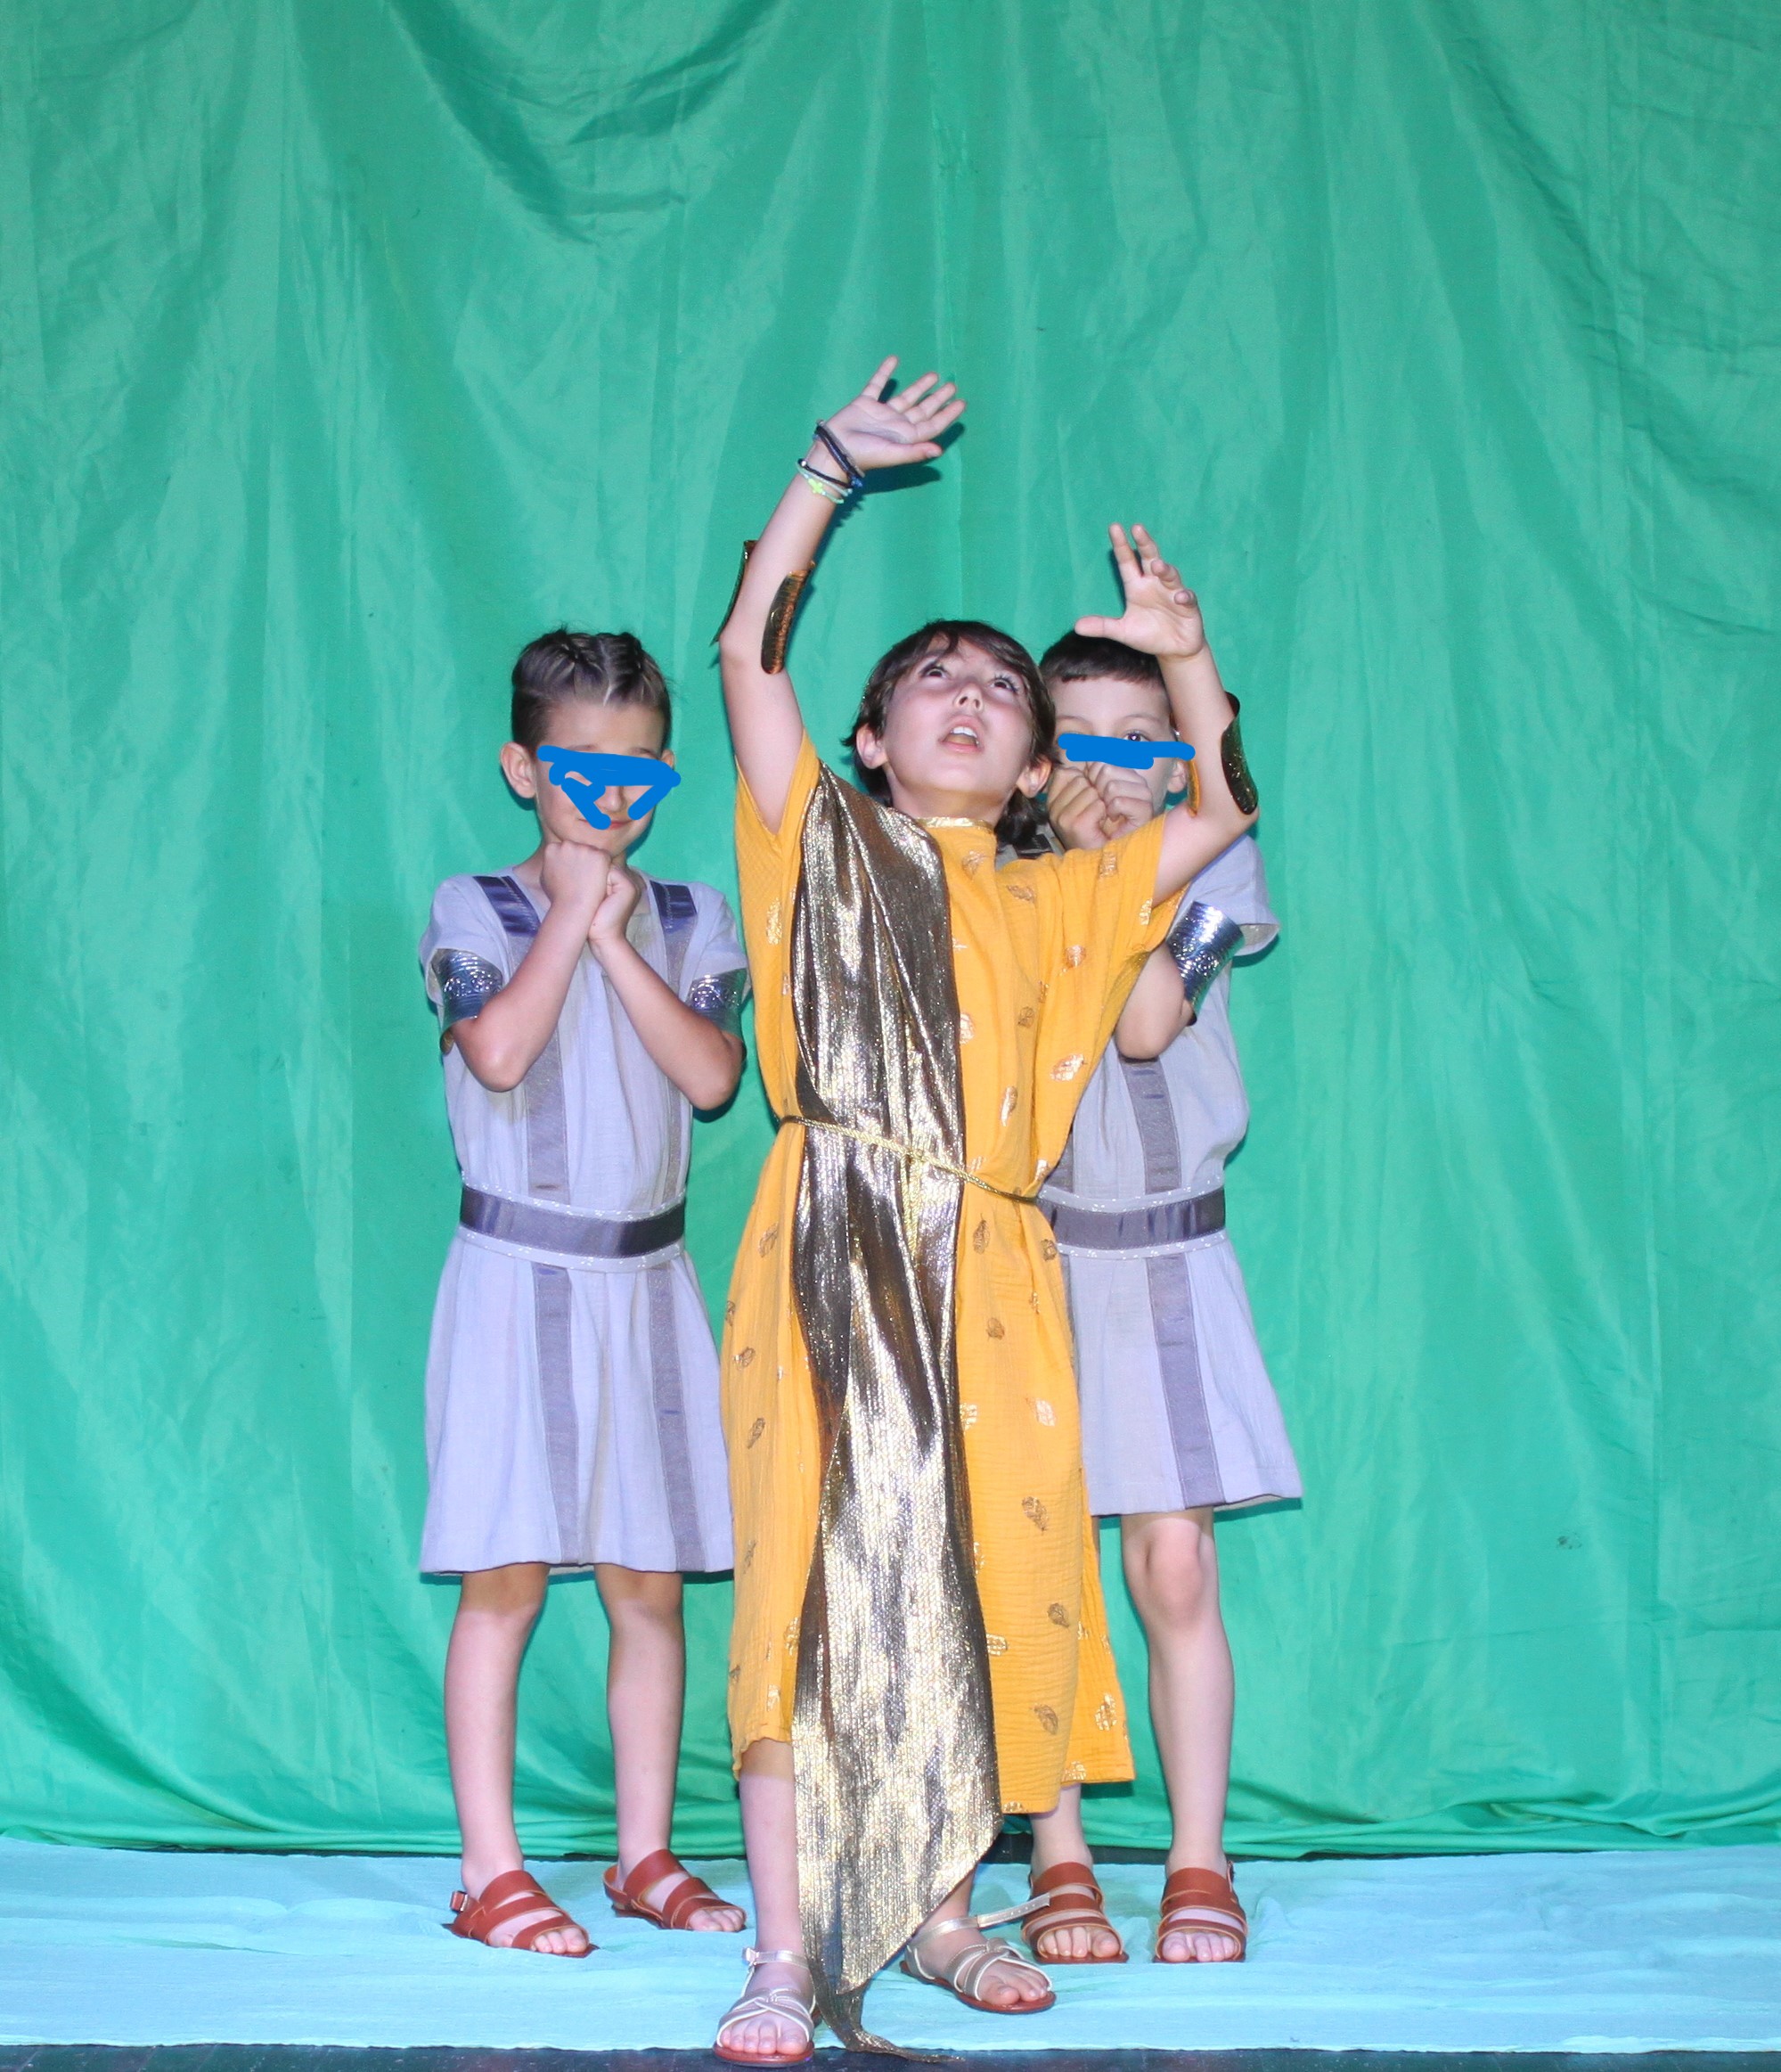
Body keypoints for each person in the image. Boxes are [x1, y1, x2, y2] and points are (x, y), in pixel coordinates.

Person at [709, 357, 1262, 2064]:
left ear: (1031, 766)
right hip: (826, 1238)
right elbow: (748, 655)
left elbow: (1226, 805)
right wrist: (826, 472)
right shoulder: (812, 838)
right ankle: (786, 1953)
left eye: (1003, 688)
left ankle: (945, 1918)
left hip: (1001, 1266)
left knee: (979, 1576)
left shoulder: (1065, 901)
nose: (969, 695)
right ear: (873, 739)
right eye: (933, 679)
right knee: (803, 1590)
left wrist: (1185, 654)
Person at [417, 630, 751, 1958]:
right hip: (515, 1278)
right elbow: (497, 1054)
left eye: (640, 769)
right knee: (502, 1579)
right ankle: (490, 1871)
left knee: (648, 1585)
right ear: (524, 768)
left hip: (649, 1283)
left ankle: (644, 1851)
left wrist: (614, 934)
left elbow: (713, 1078)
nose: (612, 793)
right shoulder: (472, 904)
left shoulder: (693, 914)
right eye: (580, 767)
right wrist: (567, 911)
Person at [1018, 633, 1301, 1970]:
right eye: (1080, 739)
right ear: (1035, 759)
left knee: (1174, 1559)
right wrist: (1070, 864)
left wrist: (1111, 865)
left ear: (1182, 757)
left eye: (1142, 740)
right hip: (1029, 1252)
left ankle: (1200, 1856)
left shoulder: (1213, 866)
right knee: (1039, 1562)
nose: (1113, 768)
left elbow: (1142, 1024)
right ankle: (1055, 1848)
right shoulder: (1000, 874)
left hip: (1171, 1252)